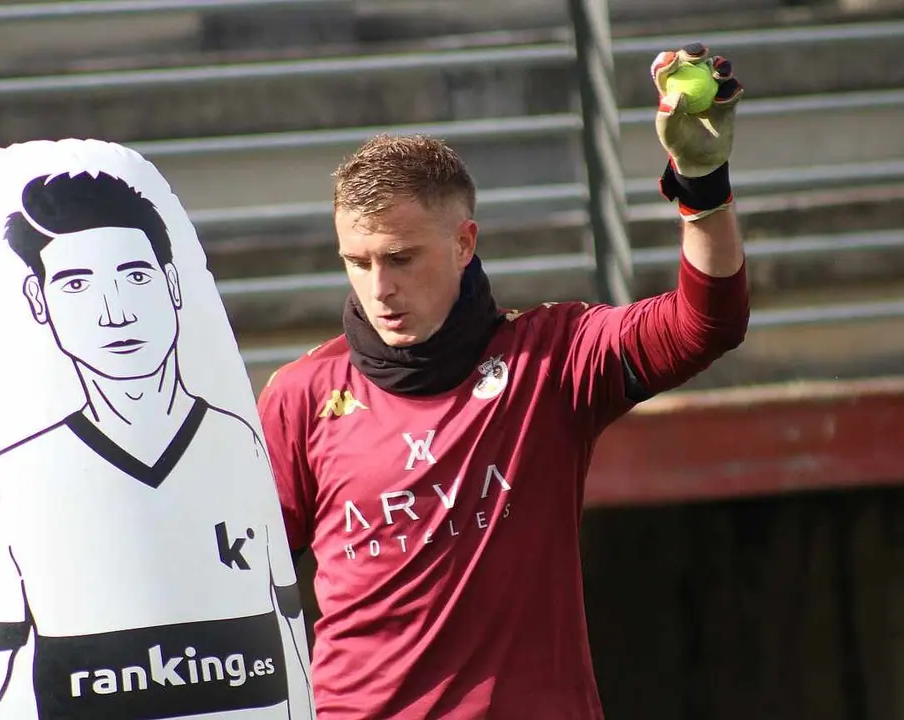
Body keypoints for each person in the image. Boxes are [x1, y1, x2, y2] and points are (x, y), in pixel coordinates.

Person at [257, 44, 748, 719]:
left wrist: (701, 183)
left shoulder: (551, 359)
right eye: (357, 262)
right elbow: (243, 579)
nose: (379, 288)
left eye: (401, 258)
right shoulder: (302, 394)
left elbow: (704, 324)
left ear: (463, 243)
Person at [0, 171, 312, 720]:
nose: (115, 311)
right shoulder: (5, 489)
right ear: (40, 300)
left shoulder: (240, 446)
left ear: (172, 284)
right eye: (77, 284)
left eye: (134, 276)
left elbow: (291, 651)